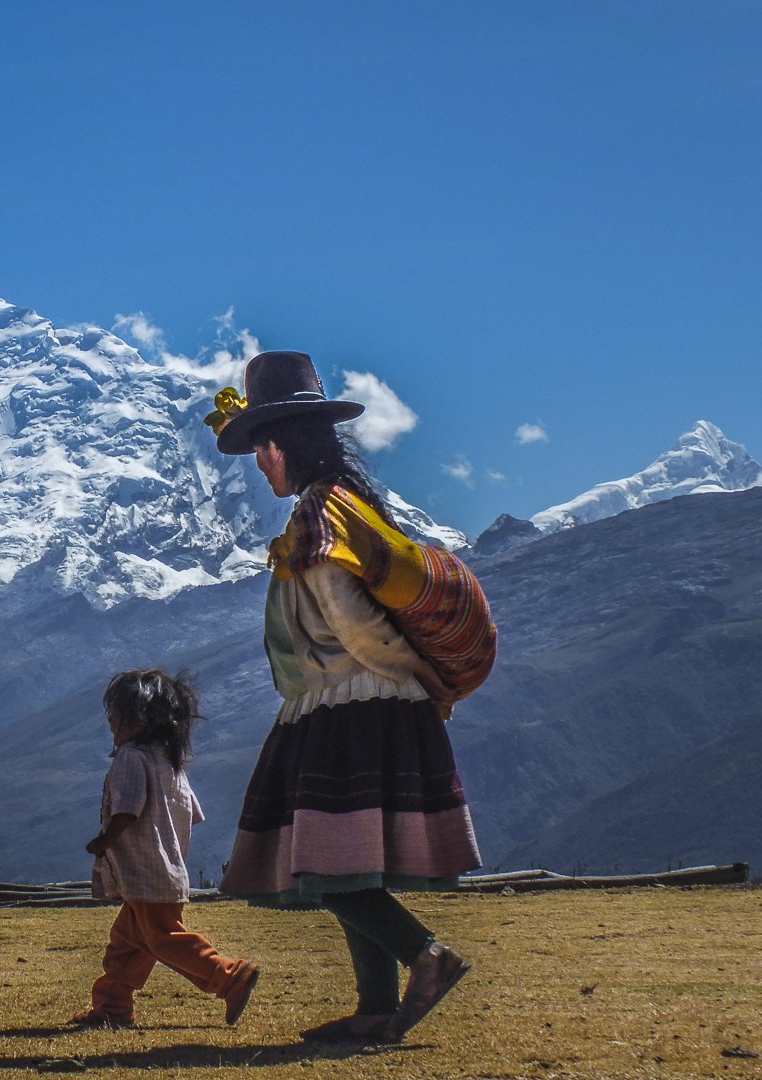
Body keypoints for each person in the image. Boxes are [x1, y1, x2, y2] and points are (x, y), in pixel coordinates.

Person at [209, 351, 483, 1045]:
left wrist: (393, 678)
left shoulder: (320, 514)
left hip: (352, 702)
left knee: (328, 864)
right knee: (347, 859)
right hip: (360, 698)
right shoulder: (341, 504)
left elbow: (351, 620)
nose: (261, 466)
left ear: (275, 446)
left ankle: (427, 956)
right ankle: (375, 1009)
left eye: (261, 454)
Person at [71, 668, 261, 1030]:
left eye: (118, 713)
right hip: (167, 870)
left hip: (145, 872)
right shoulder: (170, 763)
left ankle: (227, 976)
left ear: (140, 719)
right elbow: (191, 815)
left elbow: (127, 809)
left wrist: (105, 840)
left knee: (162, 937)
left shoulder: (131, 758)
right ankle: (112, 1006)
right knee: (128, 941)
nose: (111, 721)